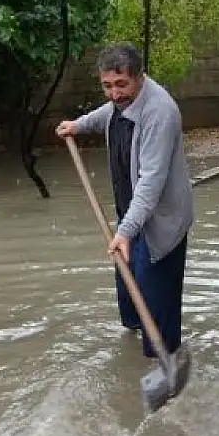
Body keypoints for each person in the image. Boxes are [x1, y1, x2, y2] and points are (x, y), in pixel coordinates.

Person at [55, 42, 194, 363]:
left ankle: (165, 358)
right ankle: (132, 341)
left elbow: (151, 181)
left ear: (140, 78)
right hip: (130, 214)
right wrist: (80, 125)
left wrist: (127, 230)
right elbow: (110, 112)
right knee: (129, 285)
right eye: (107, 85)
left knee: (156, 296)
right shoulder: (121, 101)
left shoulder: (160, 112)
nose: (115, 94)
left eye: (122, 85)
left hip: (161, 220)